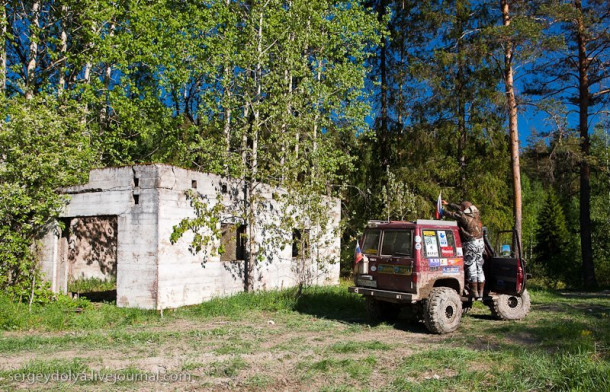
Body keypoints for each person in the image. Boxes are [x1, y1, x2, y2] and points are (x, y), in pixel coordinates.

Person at [442, 200, 485, 299]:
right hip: (481, 243)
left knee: (471, 267)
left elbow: (451, 214)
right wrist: (449, 204)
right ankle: (481, 293)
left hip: (471, 243)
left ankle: (474, 292)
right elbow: (460, 209)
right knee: (480, 267)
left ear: (464, 209)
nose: (460, 209)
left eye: (461, 208)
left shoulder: (463, 217)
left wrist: (441, 210)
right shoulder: (476, 213)